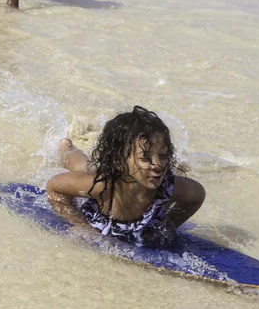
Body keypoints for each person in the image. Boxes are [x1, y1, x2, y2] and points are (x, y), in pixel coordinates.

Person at [46, 106, 205, 247]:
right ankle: (66, 147)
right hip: (105, 179)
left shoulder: (169, 187)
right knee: (84, 167)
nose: (158, 165)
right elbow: (54, 187)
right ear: (118, 160)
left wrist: (167, 226)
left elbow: (197, 196)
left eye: (163, 155)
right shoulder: (103, 186)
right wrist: (80, 225)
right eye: (145, 158)